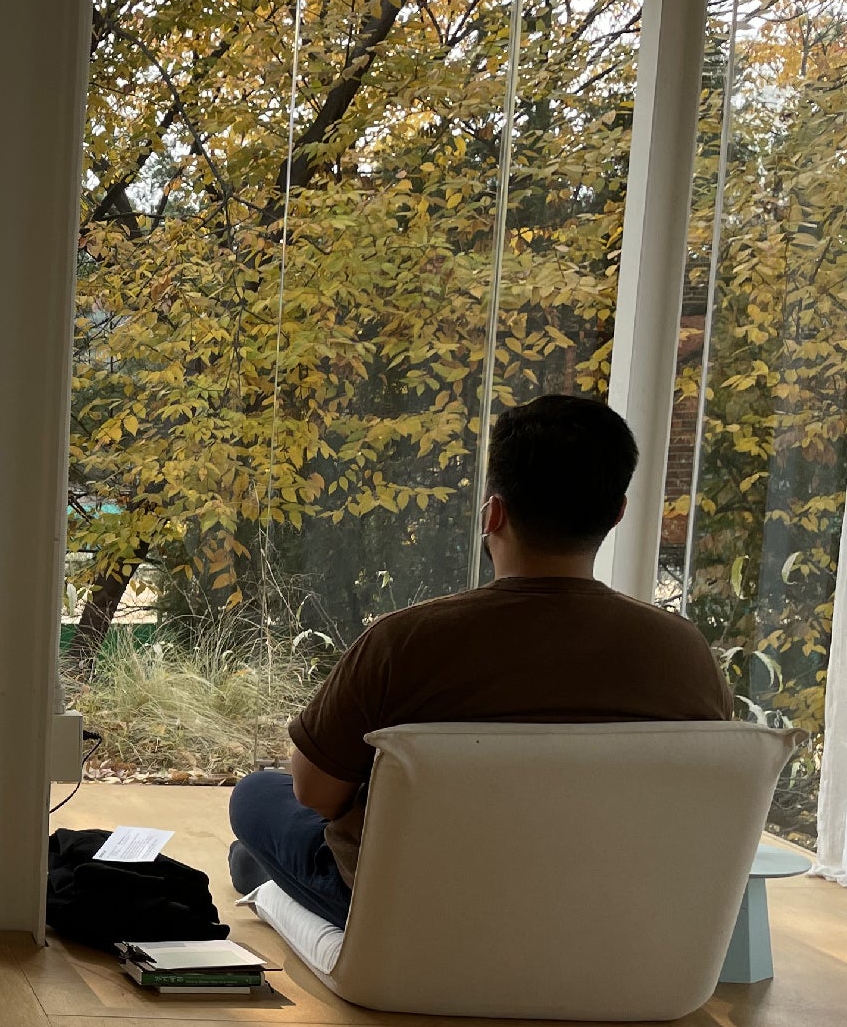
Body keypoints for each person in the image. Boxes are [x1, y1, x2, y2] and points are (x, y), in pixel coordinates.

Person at [229, 394, 733, 928]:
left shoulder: (405, 643)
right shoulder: (685, 654)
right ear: (616, 514)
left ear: (493, 511)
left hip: (420, 910)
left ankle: (269, 876)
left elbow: (316, 793)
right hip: (603, 909)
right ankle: (265, 873)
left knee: (259, 794)